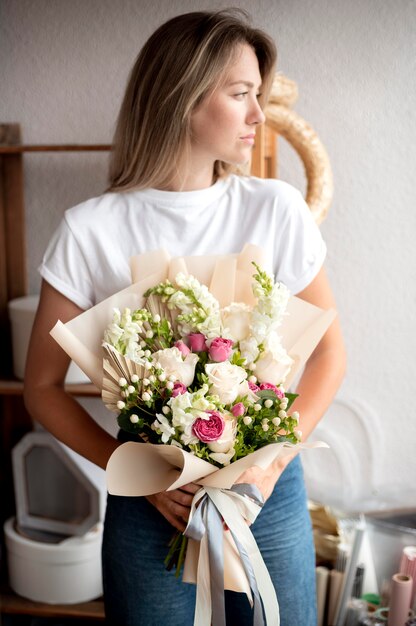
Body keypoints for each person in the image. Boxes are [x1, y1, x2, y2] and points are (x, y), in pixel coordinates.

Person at [24, 9, 346, 626]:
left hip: (267, 491)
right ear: (182, 97)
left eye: (260, 95)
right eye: (242, 94)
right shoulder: (90, 229)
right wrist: (145, 481)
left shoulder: (275, 208)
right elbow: (40, 388)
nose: (258, 115)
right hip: (150, 497)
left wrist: (268, 468)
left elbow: (331, 355)